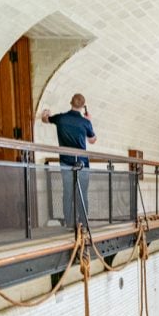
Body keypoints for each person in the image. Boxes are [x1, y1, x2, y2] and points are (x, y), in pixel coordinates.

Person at [41, 94, 96, 229]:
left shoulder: (61, 118)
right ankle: (83, 223)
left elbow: (45, 119)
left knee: (67, 193)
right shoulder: (85, 122)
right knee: (82, 194)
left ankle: (69, 223)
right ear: (83, 107)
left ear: (70, 103)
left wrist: (46, 113)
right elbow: (92, 140)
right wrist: (88, 120)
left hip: (65, 163)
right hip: (82, 163)